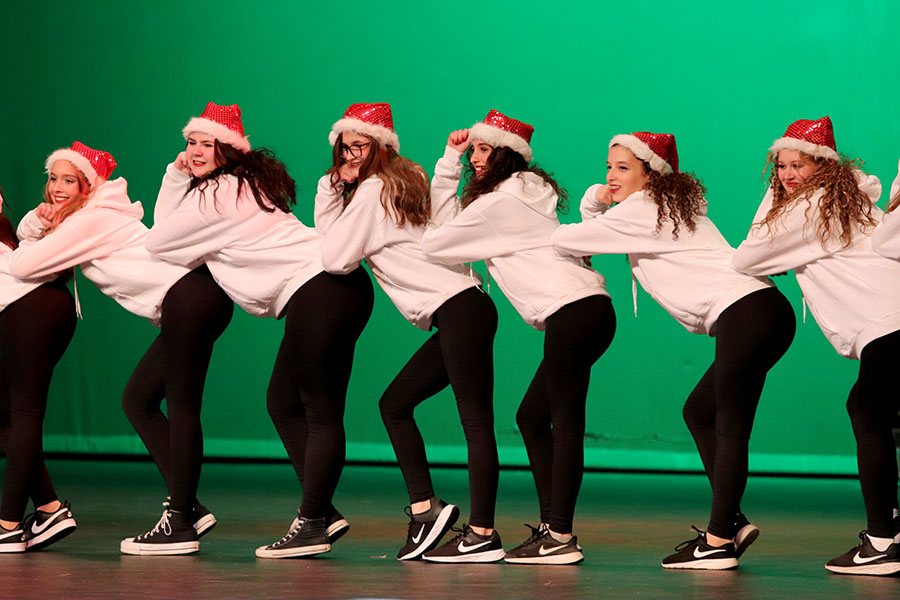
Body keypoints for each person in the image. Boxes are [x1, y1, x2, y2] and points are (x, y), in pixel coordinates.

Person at [552, 131, 795, 569]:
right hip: (763, 312)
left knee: (729, 424)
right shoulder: (670, 207)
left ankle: (719, 540)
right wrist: (606, 202)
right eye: (608, 167)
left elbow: (567, 240)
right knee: (701, 411)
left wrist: (593, 201)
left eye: (623, 168)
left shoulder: (643, 211)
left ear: (651, 175)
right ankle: (732, 522)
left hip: (746, 313)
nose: (610, 176)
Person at [146, 102, 373, 558]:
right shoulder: (243, 183)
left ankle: (311, 524)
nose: (193, 153)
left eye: (205, 144)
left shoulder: (217, 195)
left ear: (227, 150)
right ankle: (321, 511)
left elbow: (158, 239)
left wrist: (173, 176)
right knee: (283, 404)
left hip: (318, 292)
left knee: (318, 412)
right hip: (336, 289)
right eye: (189, 143)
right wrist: (182, 171)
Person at [10, 141, 233, 555]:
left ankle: (181, 520)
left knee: (181, 407)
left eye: (69, 180)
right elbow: (32, 239)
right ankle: (190, 507)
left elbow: (25, 264)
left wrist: (40, 228)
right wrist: (40, 221)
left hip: (189, 299)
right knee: (139, 400)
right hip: (194, 300)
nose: (58, 188)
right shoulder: (85, 218)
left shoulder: (88, 222)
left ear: (88, 186)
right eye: (53, 179)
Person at [421, 110, 615, 565]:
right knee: (532, 417)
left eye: (483, 150)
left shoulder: (497, 206)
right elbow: (453, 231)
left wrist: (445, 166)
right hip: (590, 310)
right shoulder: (524, 196)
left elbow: (436, 242)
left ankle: (561, 536)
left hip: (572, 312)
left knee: (564, 422)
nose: (474, 159)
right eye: (472, 153)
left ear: (507, 154)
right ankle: (553, 526)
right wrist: (456, 158)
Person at [316, 103, 499, 562]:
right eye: (344, 147)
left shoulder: (374, 191)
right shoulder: (402, 182)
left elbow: (335, 257)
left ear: (378, 148)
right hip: (464, 309)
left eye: (359, 146)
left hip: (459, 308)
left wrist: (329, 188)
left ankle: (482, 534)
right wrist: (448, 159)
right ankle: (425, 511)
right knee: (395, 405)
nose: (350, 155)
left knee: (475, 421)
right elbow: (439, 213)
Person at [732, 116, 900, 576]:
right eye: (779, 168)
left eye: (797, 166)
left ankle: (883, 542)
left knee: (868, 413)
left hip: (889, 327)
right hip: (889, 328)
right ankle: (891, 530)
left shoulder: (811, 209)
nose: (786, 176)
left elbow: (747, 256)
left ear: (823, 167)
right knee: (871, 410)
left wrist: (775, 202)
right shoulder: (847, 202)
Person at [0, 188, 77, 553]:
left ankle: (7, 525)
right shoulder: (7, 232)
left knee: (23, 411)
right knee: (4, 412)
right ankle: (48, 509)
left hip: (27, 310)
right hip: (48, 308)